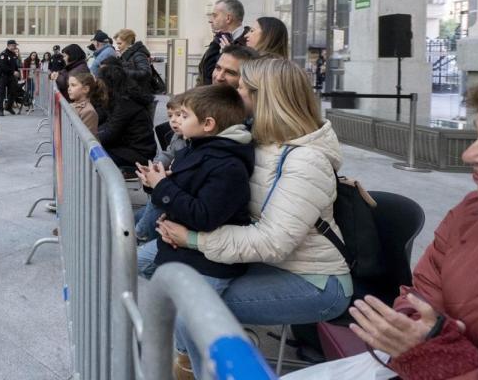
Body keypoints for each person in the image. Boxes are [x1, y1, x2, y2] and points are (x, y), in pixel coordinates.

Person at [305, 66, 478, 380]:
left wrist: (443, 360)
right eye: (476, 136)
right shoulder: (473, 213)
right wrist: (410, 329)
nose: (469, 154)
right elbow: (419, 297)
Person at [157, 57, 350, 377]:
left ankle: (192, 368)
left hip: (316, 283)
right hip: (272, 263)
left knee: (189, 305)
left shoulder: (305, 160)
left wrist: (192, 238)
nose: (233, 92)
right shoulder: (258, 141)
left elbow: (273, 241)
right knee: (170, 277)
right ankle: (189, 362)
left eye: (243, 89)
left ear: (266, 99)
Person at [135, 85, 253, 310]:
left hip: (208, 263)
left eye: (184, 115)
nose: (177, 120)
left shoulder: (227, 165)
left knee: (189, 324)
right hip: (181, 246)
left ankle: (187, 343)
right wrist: (157, 184)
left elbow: (204, 216)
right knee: (139, 264)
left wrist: (163, 186)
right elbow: (186, 189)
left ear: (208, 124)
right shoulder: (196, 147)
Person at [135, 96, 188, 245]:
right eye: (170, 116)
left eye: (180, 115)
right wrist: (155, 166)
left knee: (157, 198)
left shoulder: (190, 141)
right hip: (170, 181)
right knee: (141, 212)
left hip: (177, 186)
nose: (173, 120)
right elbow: (168, 153)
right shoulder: (177, 137)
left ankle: (141, 233)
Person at [96, 57, 157, 169]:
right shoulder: (122, 100)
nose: (99, 87)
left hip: (138, 154)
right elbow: (108, 123)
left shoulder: (125, 104)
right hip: (131, 149)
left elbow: (110, 133)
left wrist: (91, 136)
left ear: (109, 85)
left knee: (94, 156)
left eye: (101, 84)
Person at [198, 0, 251, 85]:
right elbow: (204, 75)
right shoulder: (217, 40)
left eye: (215, 15)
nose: (211, 20)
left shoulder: (249, 43)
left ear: (228, 18)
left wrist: (230, 53)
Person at [113, 29, 154, 93]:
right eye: (117, 43)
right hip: (130, 91)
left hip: (138, 93)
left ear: (128, 42)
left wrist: (123, 72)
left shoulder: (138, 54)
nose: (118, 46)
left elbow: (146, 73)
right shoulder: (125, 54)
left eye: (120, 43)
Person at [66, 72, 100, 137]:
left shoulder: (89, 112)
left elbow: (84, 139)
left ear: (85, 89)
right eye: (69, 85)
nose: (69, 89)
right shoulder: (72, 104)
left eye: (73, 85)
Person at [0, 39, 21, 116]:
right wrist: (13, 72)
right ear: (9, 45)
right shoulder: (3, 54)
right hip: (3, 76)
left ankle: (8, 107)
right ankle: (1, 110)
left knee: (13, 92)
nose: (15, 47)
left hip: (11, 77)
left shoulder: (13, 54)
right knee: (2, 94)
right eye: (14, 45)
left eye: (15, 46)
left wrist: (18, 73)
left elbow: (15, 66)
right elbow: (3, 66)